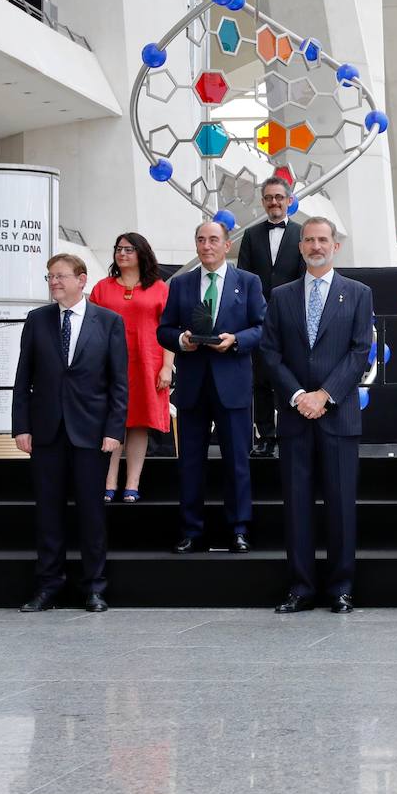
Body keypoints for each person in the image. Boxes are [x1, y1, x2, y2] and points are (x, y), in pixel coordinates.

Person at [260, 217, 372, 614]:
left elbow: (360, 352)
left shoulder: (358, 293)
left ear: (335, 246)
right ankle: (301, 587)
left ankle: (341, 587)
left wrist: (324, 395)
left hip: (337, 417)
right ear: (300, 246)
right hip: (294, 417)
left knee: (341, 506)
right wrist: (297, 396)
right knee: (297, 507)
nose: (315, 246)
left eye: (323, 240)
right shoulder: (281, 295)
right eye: (308, 240)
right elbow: (270, 352)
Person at [12, 254, 127, 612]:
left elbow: (119, 384)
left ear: (81, 279)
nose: (54, 282)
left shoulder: (108, 322)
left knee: (92, 513)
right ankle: (48, 587)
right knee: (48, 513)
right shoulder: (37, 320)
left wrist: (114, 430)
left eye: (60, 276)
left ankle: (94, 587)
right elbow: (23, 379)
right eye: (50, 277)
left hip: (91, 432)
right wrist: (21, 426)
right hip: (46, 432)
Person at [158, 220, 266, 554]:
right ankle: (192, 530)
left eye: (213, 240)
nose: (207, 246)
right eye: (201, 240)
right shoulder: (182, 284)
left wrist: (237, 340)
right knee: (190, 461)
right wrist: (180, 340)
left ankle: (239, 529)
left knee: (237, 460)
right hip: (192, 385)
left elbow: (262, 327)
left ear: (227, 244)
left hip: (231, 383)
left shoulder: (247, 282)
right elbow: (164, 329)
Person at [88, 232, 172, 503]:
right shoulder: (102, 287)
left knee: (138, 423)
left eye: (128, 249)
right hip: (108, 364)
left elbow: (169, 331)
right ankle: (109, 480)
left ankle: (132, 483)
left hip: (147, 363)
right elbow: (90, 328)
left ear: (141, 254)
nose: (122, 254)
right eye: (118, 249)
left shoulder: (159, 288)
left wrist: (167, 367)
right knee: (111, 421)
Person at [237, 176, 306, 458]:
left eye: (279, 197)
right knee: (261, 381)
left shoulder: (303, 234)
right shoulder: (251, 235)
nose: (274, 202)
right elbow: (243, 277)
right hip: (259, 322)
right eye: (269, 198)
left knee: (291, 378)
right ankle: (265, 437)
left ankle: (291, 436)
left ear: (289, 201)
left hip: (292, 320)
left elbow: (305, 277)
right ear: (263, 202)